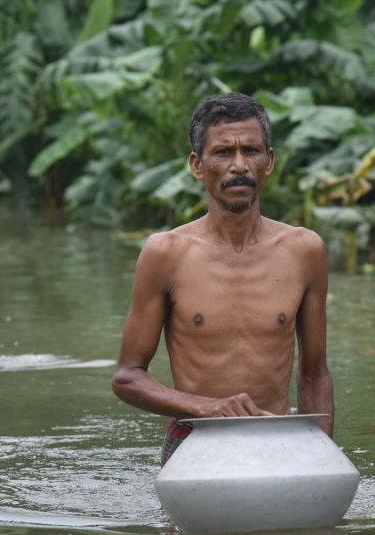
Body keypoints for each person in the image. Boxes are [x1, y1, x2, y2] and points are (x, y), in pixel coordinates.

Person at [111, 93, 333, 465]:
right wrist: (208, 406)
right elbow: (128, 377)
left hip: (277, 438)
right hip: (194, 442)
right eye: (223, 153)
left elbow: (314, 373)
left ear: (270, 162)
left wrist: (324, 456)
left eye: (251, 151)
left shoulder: (304, 250)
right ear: (197, 166)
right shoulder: (165, 253)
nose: (239, 165)